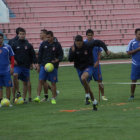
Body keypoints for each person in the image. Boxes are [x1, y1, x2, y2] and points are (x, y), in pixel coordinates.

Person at [68, 35, 109, 111]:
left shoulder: (88, 45)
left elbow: (99, 42)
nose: (78, 45)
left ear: (82, 41)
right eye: (77, 43)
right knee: (87, 86)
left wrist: (106, 50)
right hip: (79, 69)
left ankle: (87, 96)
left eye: (80, 43)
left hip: (89, 66)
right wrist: (73, 52)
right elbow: (70, 59)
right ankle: (94, 102)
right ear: (75, 42)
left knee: (83, 78)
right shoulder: (73, 48)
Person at [34, 31, 63, 104]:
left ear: (52, 37)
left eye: (49, 37)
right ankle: (37, 97)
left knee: (53, 82)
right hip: (44, 66)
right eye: (47, 37)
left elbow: (61, 55)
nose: (48, 39)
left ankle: (53, 98)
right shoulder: (43, 44)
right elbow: (40, 55)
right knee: (41, 80)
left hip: (53, 67)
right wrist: (38, 64)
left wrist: (57, 60)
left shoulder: (57, 45)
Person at [11, 28, 37, 103]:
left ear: (25, 34)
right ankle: (15, 95)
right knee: (15, 76)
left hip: (26, 66)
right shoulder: (14, 44)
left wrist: (33, 63)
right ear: (18, 35)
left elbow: (32, 55)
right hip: (17, 66)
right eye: (20, 34)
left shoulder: (28, 45)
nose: (22, 35)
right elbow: (11, 55)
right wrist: (13, 61)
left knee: (26, 82)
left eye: (23, 34)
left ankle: (24, 98)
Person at [85, 29, 108, 101]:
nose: (90, 36)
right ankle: (88, 96)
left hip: (96, 66)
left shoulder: (96, 43)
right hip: (88, 66)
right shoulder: (84, 44)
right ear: (86, 36)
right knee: (87, 82)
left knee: (100, 81)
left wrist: (97, 62)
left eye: (91, 35)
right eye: (88, 35)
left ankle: (103, 96)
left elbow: (99, 53)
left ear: (93, 35)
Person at [0, 33, 14, 107]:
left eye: (1, 38)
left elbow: (12, 57)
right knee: (0, 87)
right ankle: (0, 102)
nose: (0, 40)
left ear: (3, 39)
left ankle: (8, 101)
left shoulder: (8, 47)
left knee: (8, 86)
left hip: (6, 70)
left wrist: (12, 67)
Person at [126, 28, 140, 101]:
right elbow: (128, 52)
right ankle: (132, 95)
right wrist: (138, 49)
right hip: (136, 65)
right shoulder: (132, 42)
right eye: (139, 34)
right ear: (136, 34)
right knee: (133, 80)